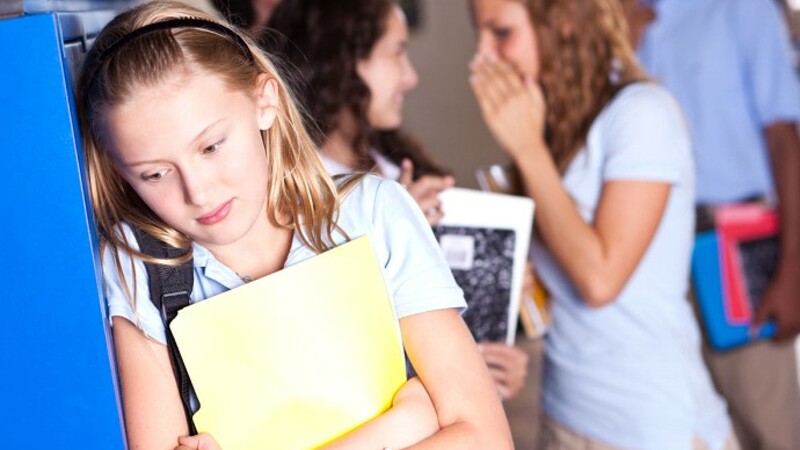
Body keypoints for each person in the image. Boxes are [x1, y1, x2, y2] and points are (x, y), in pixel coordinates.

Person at [75, 2, 513, 449]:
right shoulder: (140, 267)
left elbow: (486, 439)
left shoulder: (374, 213)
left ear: (264, 102)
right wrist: (402, 423)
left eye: (211, 147)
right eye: (154, 174)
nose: (199, 192)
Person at [468, 0, 735, 448]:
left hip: (650, 425)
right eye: (478, 35)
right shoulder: (549, 127)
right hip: (564, 413)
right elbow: (556, 285)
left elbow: (600, 279)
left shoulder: (643, 114)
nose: (481, 56)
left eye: (500, 32)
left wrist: (528, 150)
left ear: (562, 22)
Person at [267, 0, 530, 400]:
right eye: (396, 53)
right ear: (344, 59)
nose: (410, 77)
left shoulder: (395, 163)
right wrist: (389, 234)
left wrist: (495, 323)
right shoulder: (285, 190)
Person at [633, 0, 800, 448]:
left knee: (767, 423)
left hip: (733, 242)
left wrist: (793, 268)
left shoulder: (741, 7)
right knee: (688, 427)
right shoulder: (621, 16)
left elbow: (783, 134)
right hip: (648, 251)